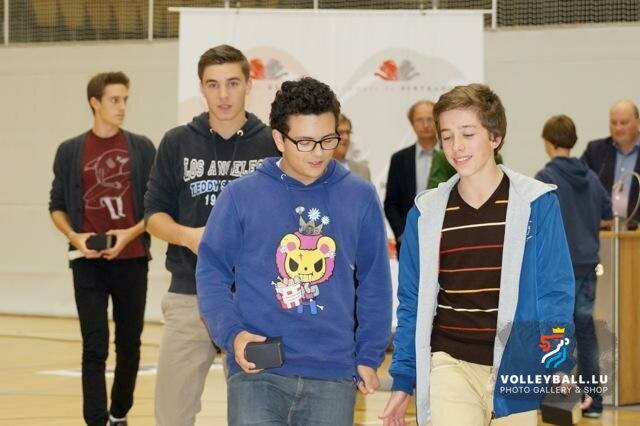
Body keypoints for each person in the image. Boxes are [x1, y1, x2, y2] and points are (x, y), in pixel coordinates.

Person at [196, 77, 392, 425]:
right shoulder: (240, 196)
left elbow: (375, 283)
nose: (318, 152)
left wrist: (369, 354)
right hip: (258, 371)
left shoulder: (360, 197)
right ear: (278, 139)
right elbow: (211, 273)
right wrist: (233, 335)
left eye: (328, 139)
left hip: (333, 373)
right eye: (304, 142)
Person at [381, 84, 576, 425]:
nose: (456, 146)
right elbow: (412, 303)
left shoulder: (537, 204)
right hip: (450, 364)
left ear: (495, 137)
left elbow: (554, 293)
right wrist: (403, 379)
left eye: (468, 134)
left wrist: (557, 363)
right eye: (447, 136)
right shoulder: (425, 214)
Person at [144, 45, 278, 425]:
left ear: (249, 85)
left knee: (259, 416)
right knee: (172, 415)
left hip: (256, 301)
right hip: (191, 296)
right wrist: (189, 236)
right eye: (213, 84)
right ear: (201, 87)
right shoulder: (176, 142)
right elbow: (153, 216)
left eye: (232, 83)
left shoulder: (272, 144)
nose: (223, 95)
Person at [49, 71, 156, 426]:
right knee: (94, 345)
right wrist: (75, 237)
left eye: (125, 99)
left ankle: (119, 412)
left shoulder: (142, 148)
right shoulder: (70, 151)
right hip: (87, 262)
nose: (122, 106)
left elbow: (157, 207)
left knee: (129, 345)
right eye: (114, 100)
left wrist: (129, 234)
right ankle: (95, 420)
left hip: (132, 260)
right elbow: (57, 206)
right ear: (95, 102)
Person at [535, 114, 613, 418]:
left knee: (555, 333)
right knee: (586, 333)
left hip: (558, 270)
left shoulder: (545, 177)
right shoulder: (591, 177)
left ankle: (559, 405)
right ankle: (594, 403)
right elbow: (607, 213)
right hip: (588, 266)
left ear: (547, 142)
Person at [384, 100, 437, 251]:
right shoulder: (400, 159)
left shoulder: (451, 157)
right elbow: (391, 203)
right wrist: (402, 234)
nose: (425, 125)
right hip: (409, 240)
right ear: (412, 124)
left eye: (430, 119)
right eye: (420, 120)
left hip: (444, 239)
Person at [581, 100, 640, 223]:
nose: (618, 128)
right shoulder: (595, 151)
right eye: (613, 123)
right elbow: (578, 184)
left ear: (638, 122)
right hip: (603, 229)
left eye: (624, 123)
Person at [333, 113, 371, 181]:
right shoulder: (316, 170)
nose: (346, 137)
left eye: (348, 133)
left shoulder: (363, 171)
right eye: (340, 132)